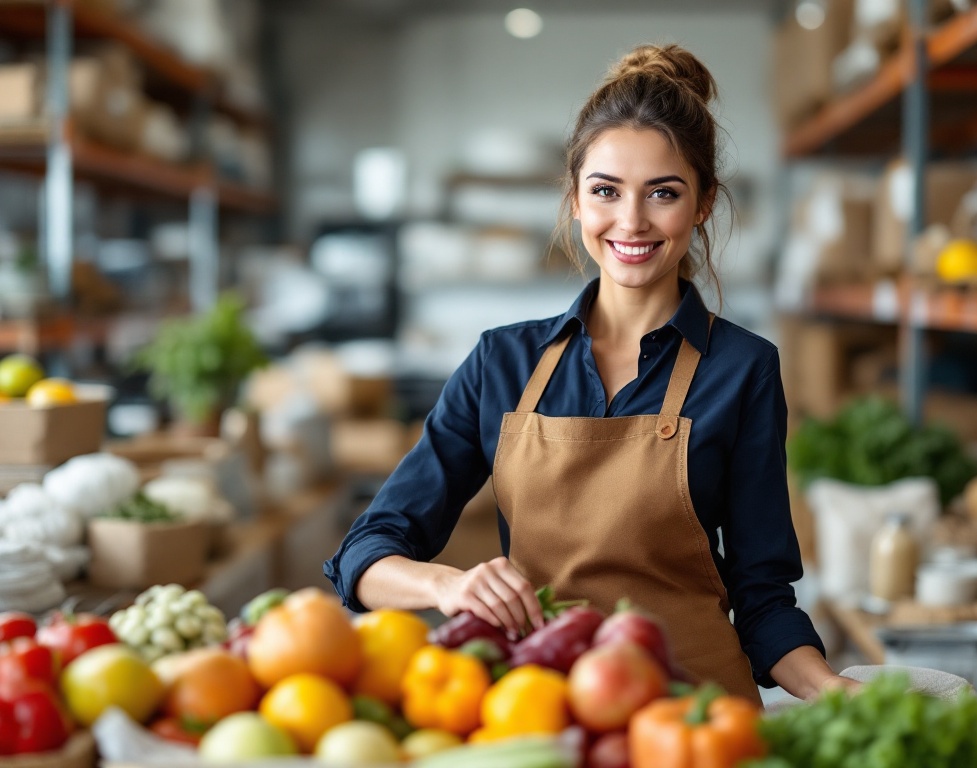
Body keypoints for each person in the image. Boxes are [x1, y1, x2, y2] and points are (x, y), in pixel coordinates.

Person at [325, 43, 856, 704]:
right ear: (575, 199)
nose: (631, 222)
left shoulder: (743, 368)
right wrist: (448, 586)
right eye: (606, 191)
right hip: (540, 712)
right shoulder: (502, 364)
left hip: (692, 718)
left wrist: (836, 692)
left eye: (663, 193)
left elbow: (762, 596)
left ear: (702, 203)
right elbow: (366, 552)